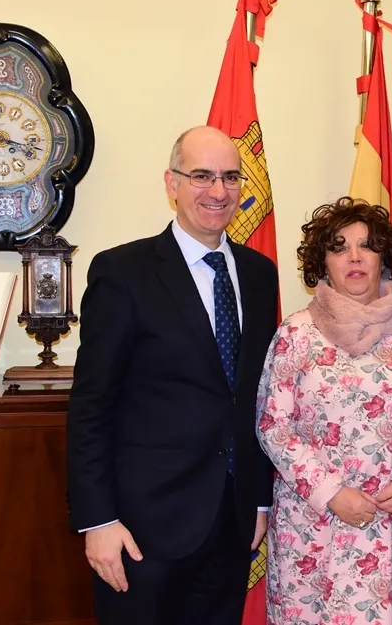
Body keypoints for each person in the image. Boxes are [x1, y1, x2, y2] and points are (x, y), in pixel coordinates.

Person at [66, 125, 280, 625]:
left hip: (232, 521)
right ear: (172, 183)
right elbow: (92, 406)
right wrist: (96, 520)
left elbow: (254, 395)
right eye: (201, 176)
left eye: (230, 177)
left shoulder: (258, 272)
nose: (218, 191)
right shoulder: (123, 272)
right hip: (142, 530)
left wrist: (260, 499)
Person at [255, 197, 392, 625]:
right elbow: (273, 425)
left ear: (384, 255)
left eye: (366, 245)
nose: (354, 257)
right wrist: (330, 493)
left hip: (390, 524)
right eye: (339, 247)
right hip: (311, 526)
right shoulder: (295, 333)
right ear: (321, 262)